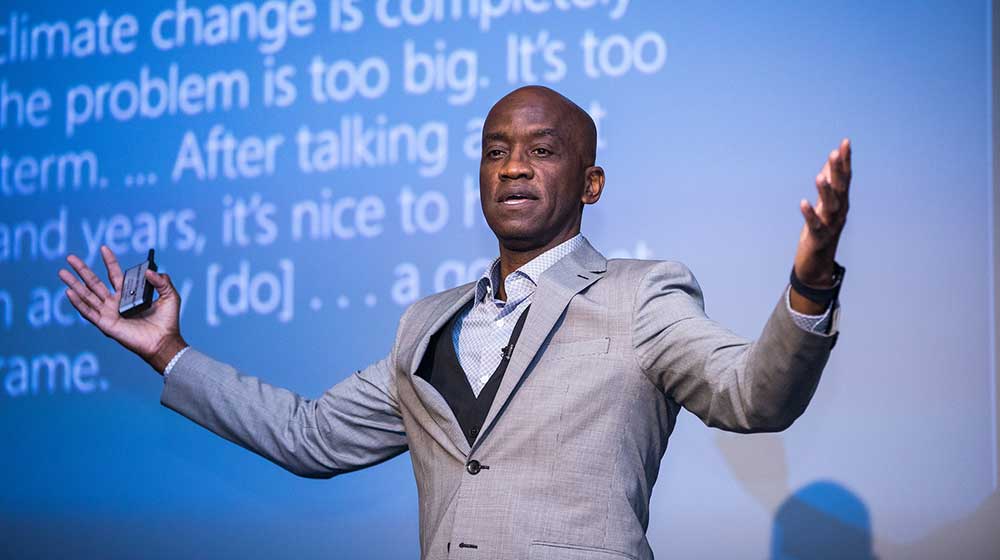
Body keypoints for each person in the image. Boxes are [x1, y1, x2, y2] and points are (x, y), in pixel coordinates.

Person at [58, 85, 852, 560]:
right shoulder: (424, 324)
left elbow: (755, 395)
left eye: (542, 150)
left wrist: (808, 285)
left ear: (592, 181)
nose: (513, 166)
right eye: (495, 150)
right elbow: (308, 436)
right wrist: (169, 351)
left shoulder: (640, 296)